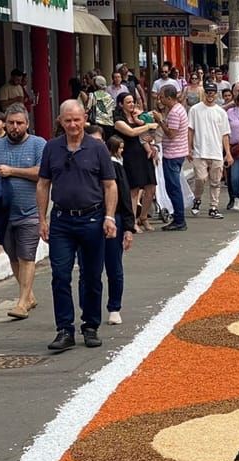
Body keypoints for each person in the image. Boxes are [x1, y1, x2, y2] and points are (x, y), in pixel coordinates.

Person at [35, 100, 118, 352]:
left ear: (85, 119)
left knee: (91, 275)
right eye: (68, 120)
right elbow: (43, 184)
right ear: (60, 121)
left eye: (77, 120)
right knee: (60, 275)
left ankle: (90, 326)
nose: (73, 125)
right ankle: (64, 329)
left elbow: (110, 185)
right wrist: (42, 219)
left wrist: (110, 217)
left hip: (92, 219)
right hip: (62, 220)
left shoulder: (98, 148)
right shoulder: (52, 148)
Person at [0, 104, 45, 318]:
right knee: (13, 256)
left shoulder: (38, 144)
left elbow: (41, 173)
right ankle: (29, 295)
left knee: (27, 256)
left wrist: (12, 171)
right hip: (4, 213)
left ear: (27, 124)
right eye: (11, 123)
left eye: (19, 123)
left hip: (31, 212)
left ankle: (22, 303)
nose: (15, 127)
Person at [88, 130, 134, 326]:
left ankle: (114, 307)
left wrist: (128, 228)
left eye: (99, 141)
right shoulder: (78, 163)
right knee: (89, 270)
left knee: (114, 266)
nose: (96, 145)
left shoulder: (114, 165)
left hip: (113, 218)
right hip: (87, 220)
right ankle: (89, 310)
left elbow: (125, 197)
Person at [113, 92, 160, 232]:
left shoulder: (138, 116)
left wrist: (151, 143)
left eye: (132, 101)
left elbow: (147, 136)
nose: (132, 104)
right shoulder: (118, 120)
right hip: (130, 155)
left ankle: (144, 217)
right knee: (134, 190)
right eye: (128, 102)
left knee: (151, 186)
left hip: (144, 154)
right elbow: (131, 132)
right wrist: (149, 126)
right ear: (121, 104)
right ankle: (132, 221)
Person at [188, 82, 233, 220]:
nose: (210, 95)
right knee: (200, 179)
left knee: (216, 181)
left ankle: (213, 207)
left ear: (216, 94)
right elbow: (190, 130)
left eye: (212, 92)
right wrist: (188, 148)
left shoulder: (221, 112)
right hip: (199, 151)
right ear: (204, 93)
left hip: (216, 151)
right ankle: (197, 199)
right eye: (207, 92)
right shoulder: (195, 110)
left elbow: (225, 134)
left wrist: (228, 153)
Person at [157, 85, 190, 232]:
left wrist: (160, 121)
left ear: (169, 98)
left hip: (173, 154)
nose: (160, 100)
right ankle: (178, 217)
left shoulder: (175, 112)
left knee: (173, 188)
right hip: (177, 152)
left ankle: (179, 220)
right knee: (173, 187)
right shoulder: (176, 109)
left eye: (162, 97)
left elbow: (171, 134)